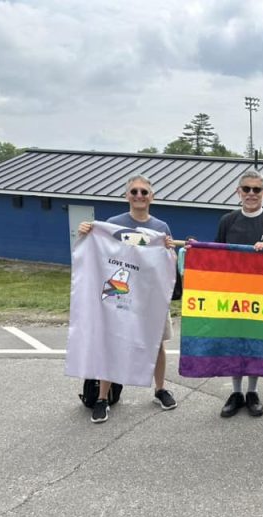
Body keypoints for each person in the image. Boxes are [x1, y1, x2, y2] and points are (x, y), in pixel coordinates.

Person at [78, 174, 178, 424]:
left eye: (144, 192)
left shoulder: (161, 227)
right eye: (134, 191)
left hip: (151, 295)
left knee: (156, 343)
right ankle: (102, 397)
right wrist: (84, 233)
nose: (139, 196)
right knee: (111, 342)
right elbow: (96, 253)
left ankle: (159, 389)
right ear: (127, 196)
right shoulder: (111, 223)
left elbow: (170, 261)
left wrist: (169, 250)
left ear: (151, 197)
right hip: (120, 292)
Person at [215, 169, 263, 418]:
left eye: (257, 190)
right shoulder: (227, 221)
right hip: (233, 295)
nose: (251, 194)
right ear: (238, 192)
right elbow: (217, 256)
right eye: (247, 189)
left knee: (255, 344)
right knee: (235, 343)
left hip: (262, 296)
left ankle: (253, 392)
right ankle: (236, 393)